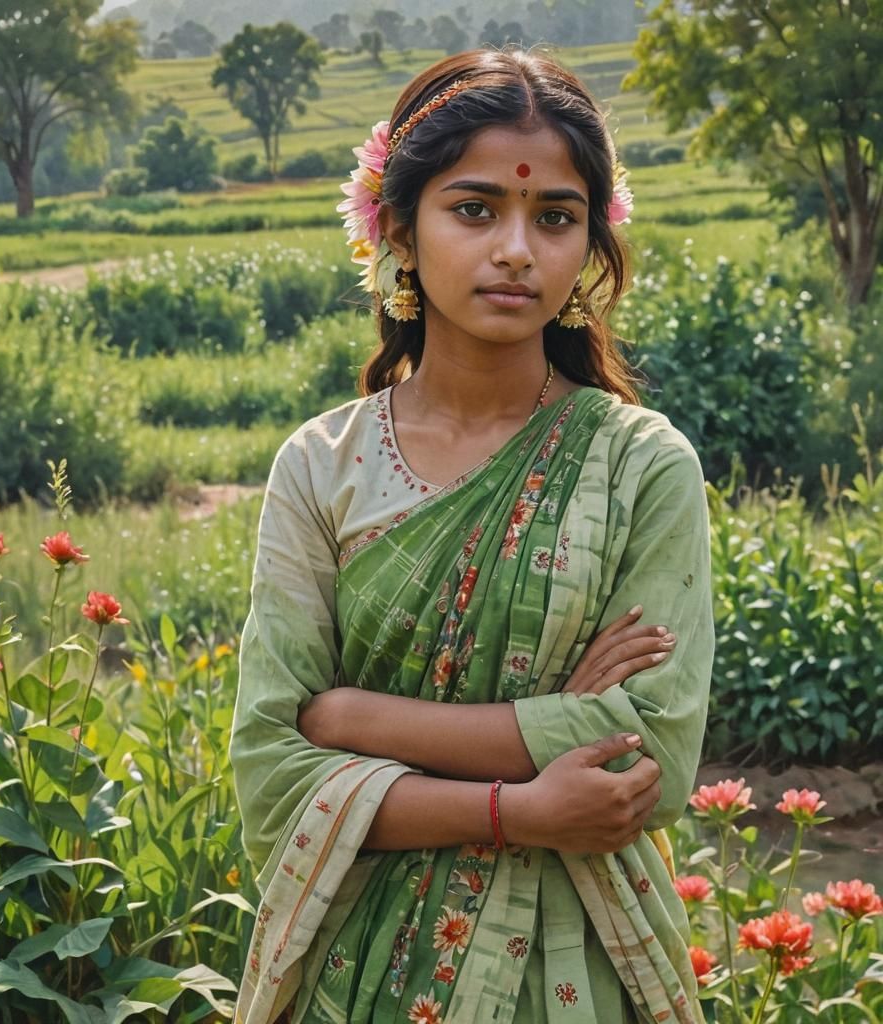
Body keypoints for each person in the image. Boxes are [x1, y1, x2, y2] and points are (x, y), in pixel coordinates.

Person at [228, 47, 714, 1024]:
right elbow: (272, 771)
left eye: (555, 217)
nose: (516, 250)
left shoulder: (638, 465)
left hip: (578, 968)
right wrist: (520, 801)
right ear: (398, 228)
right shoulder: (321, 465)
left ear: (590, 246)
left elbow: (646, 755)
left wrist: (355, 718)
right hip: (356, 969)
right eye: (475, 208)